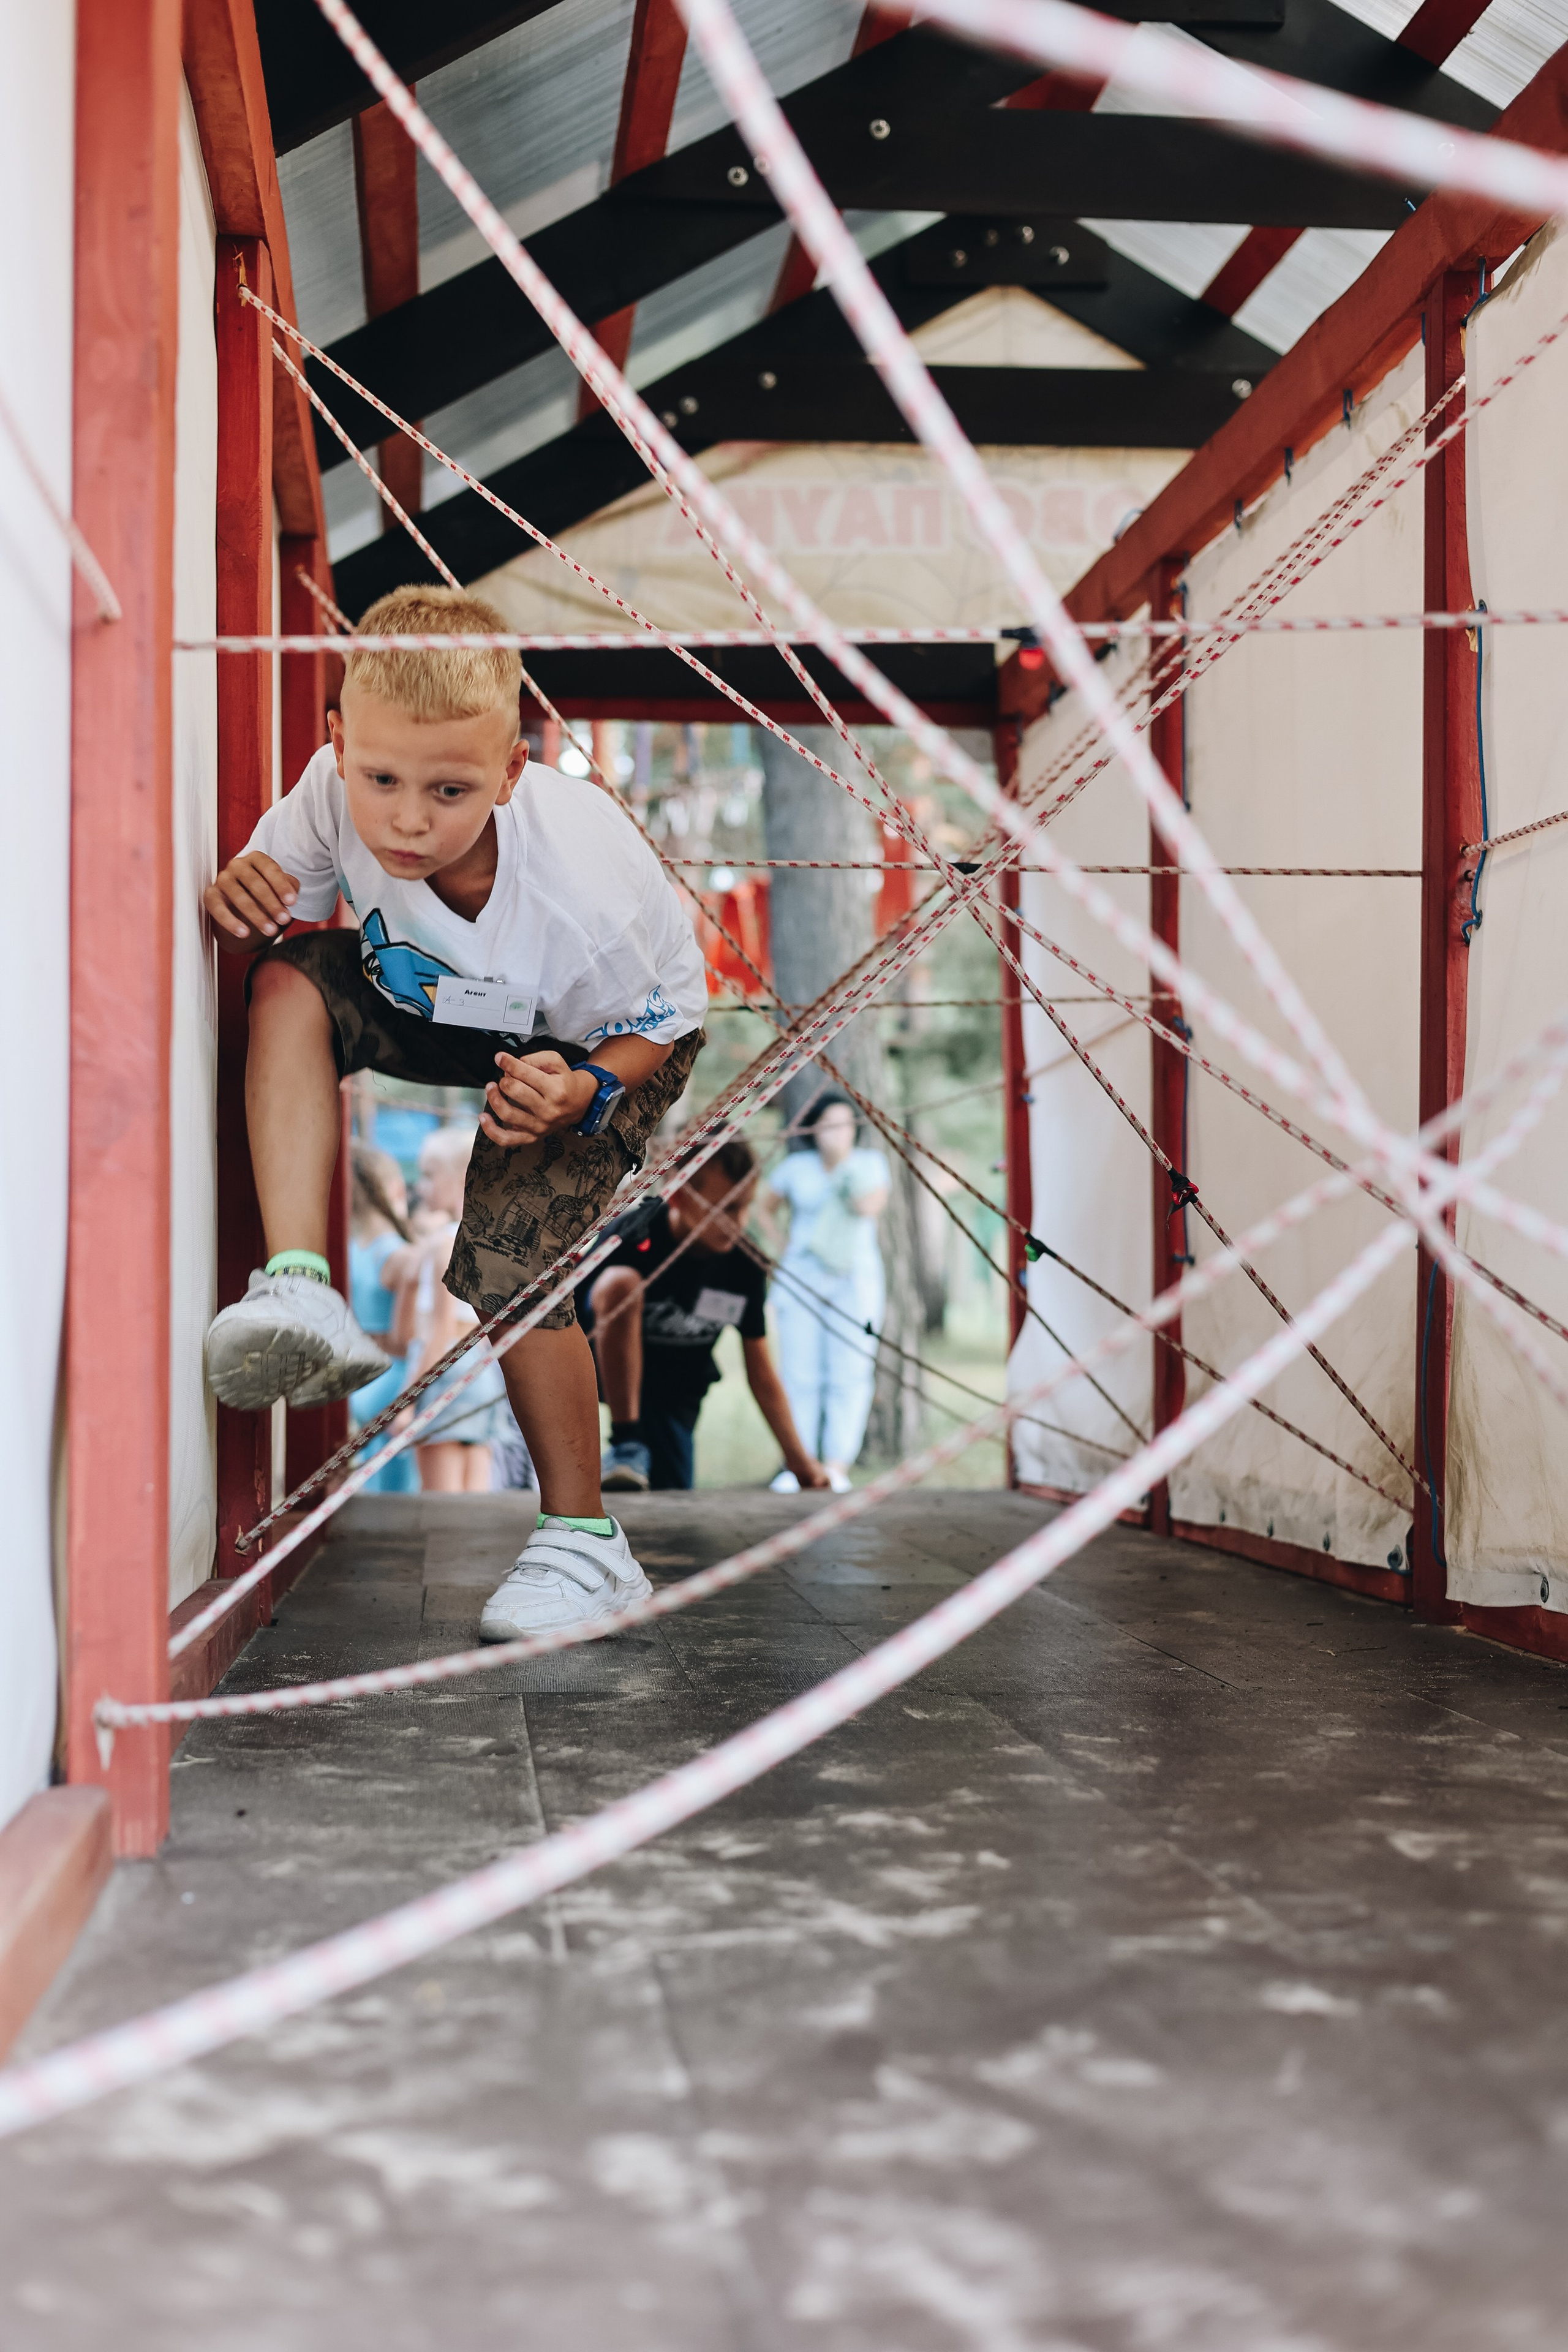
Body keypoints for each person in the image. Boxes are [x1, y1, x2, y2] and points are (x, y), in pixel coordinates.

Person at [198, 583, 708, 1641]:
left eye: (450, 790)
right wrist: (240, 900)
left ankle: (586, 1544)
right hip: (446, 1002)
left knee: (505, 1251)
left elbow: (663, 1020)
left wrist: (584, 1091)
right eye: (381, 779)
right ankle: (299, 1286)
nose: (407, 819)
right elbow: (277, 906)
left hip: (606, 1042)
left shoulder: (584, 887)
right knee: (286, 983)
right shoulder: (333, 792)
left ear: (511, 772)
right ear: (339, 742)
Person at [582, 1139, 828, 1494]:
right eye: (725, 1209)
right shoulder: (633, 1235)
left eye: (744, 1207)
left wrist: (799, 1461)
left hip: (676, 1391)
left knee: (674, 1500)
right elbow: (566, 1316)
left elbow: (761, 1373)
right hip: (597, 1376)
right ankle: (626, 1443)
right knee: (621, 1283)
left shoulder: (744, 1263)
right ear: (679, 1197)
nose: (738, 1223)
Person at [762, 1093, 891, 1493]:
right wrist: (783, 1246)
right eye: (828, 1124)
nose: (836, 1132)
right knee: (799, 1371)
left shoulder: (869, 1165)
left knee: (850, 1371)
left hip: (855, 1279)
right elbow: (764, 1207)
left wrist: (841, 1168)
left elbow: (869, 1207)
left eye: (844, 1124)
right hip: (802, 1276)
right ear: (814, 1129)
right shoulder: (795, 1168)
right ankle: (800, 1465)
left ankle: (837, 1465)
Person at [400, 1124, 509, 1493]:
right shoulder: (488, 1243)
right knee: (475, 1496)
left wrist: (407, 1402)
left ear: (462, 1177)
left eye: (430, 1175)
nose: (421, 1187)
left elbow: (441, 1333)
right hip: (480, 1373)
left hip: (444, 1375)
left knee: (439, 1500)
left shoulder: (443, 1245)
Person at [346, 1140, 417, 1494]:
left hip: (360, 1382)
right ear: (394, 1189)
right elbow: (406, 1342)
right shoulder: (400, 1256)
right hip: (390, 1381)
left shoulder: (349, 1251)